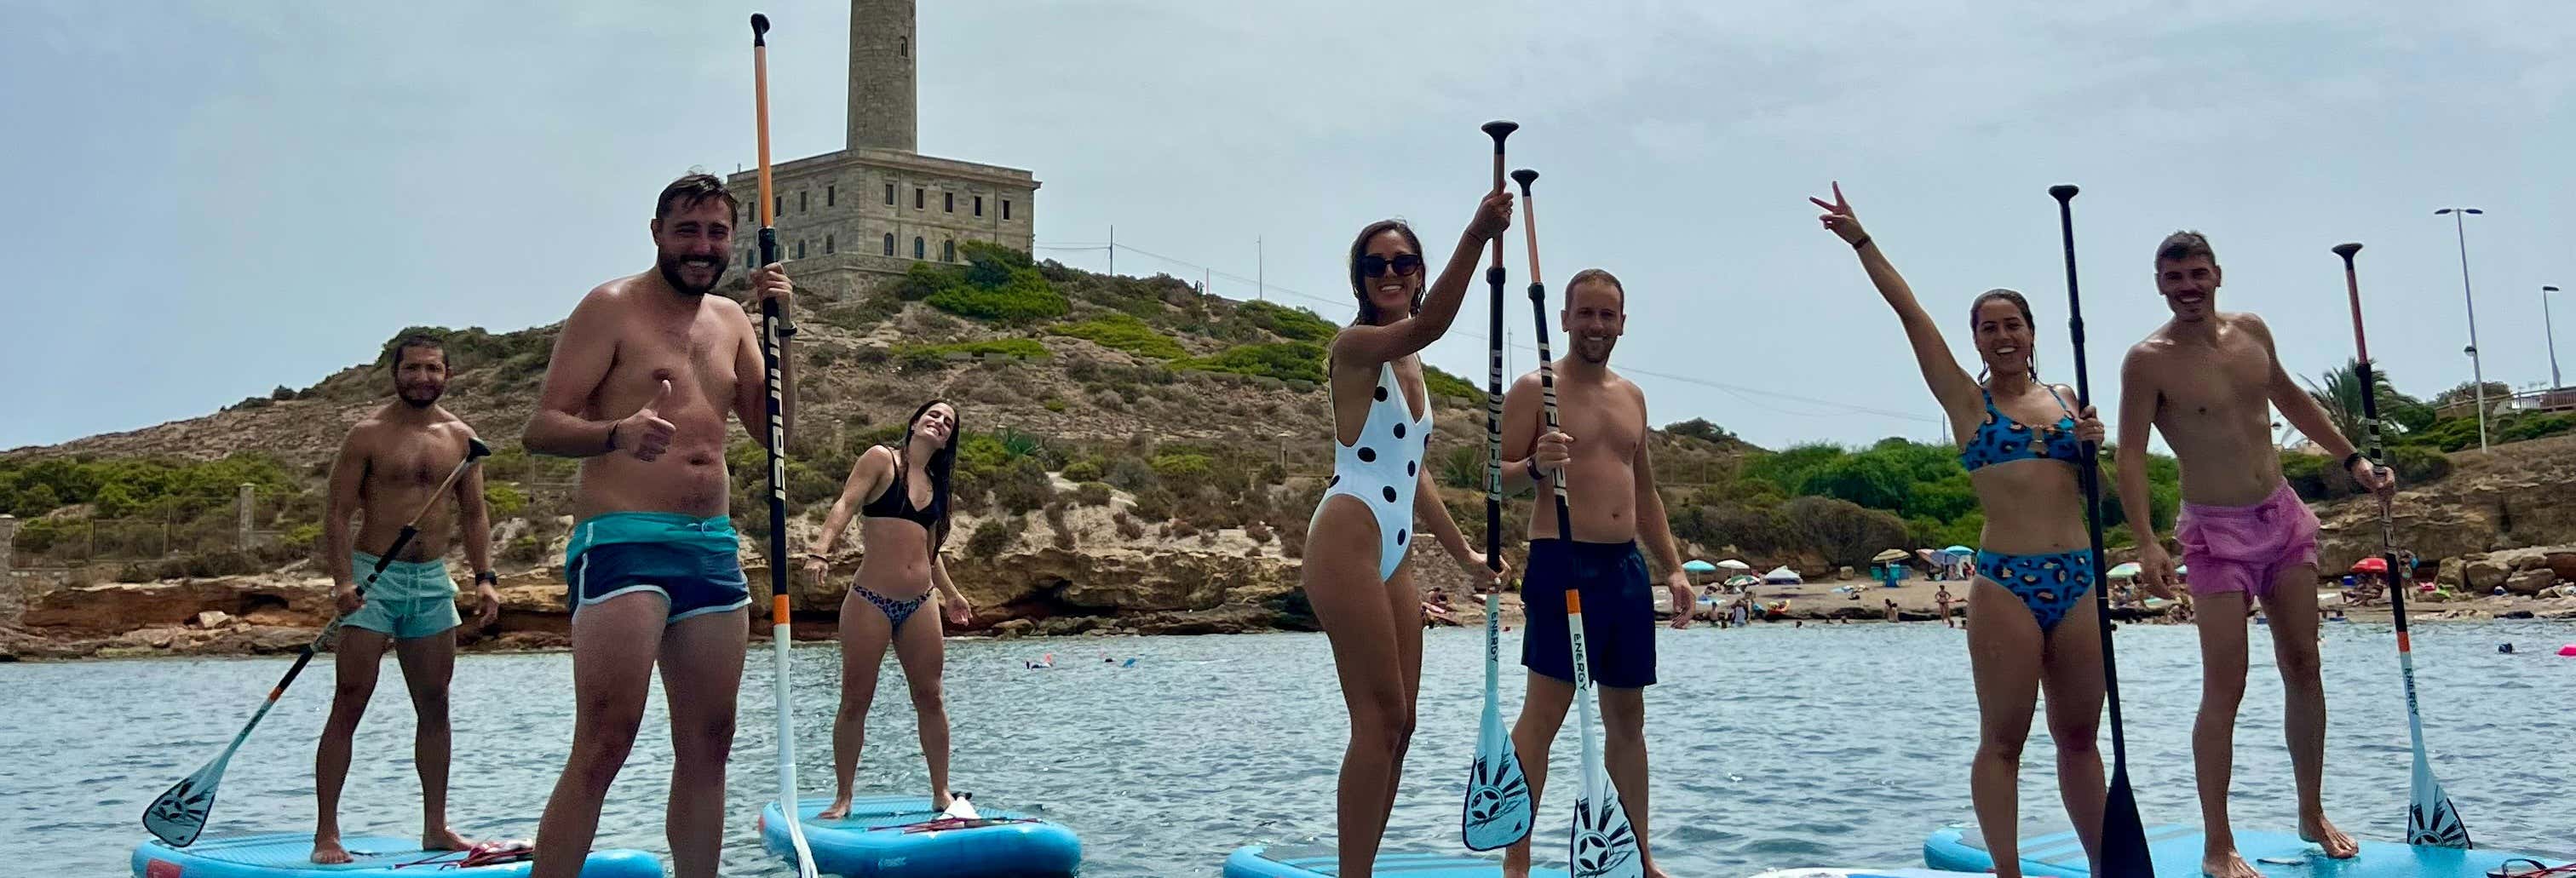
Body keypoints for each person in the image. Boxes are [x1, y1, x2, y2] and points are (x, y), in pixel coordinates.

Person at [1812, 183, 2110, 876]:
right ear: (1976, 338)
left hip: (2079, 579)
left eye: (2014, 324)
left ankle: (2105, 868)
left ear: (2032, 333)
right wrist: (1862, 241)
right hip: (2006, 582)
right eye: (1989, 327)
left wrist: (2095, 445)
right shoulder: (1965, 400)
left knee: (2079, 738)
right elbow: (1909, 312)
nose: (2003, 336)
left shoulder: (2070, 399)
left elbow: (2094, 493)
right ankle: (2006, 872)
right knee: (2004, 739)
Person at [521, 174, 795, 878]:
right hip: (622, 542)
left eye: (716, 233)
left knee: (710, 742)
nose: (703, 247)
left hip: (710, 550)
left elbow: (777, 432)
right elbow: (542, 427)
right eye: (688, 230)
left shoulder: (735, 319)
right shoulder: (610, 308)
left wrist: (782, 331)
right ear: (657, 232)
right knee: (607, 738)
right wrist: (615, 433)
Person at [2113, 230, 2393, 878]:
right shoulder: (2146, 360)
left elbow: (2290, 396)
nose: (2188, 287)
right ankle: (2218, 843)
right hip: (2213, 533)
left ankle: (2311, 811)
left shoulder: (2252, 331)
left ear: (2218, 275)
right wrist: (2148, 541)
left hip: (2282, 516)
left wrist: (2352, 460)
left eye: (2198, 274)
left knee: (2303, 662)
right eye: (2175, 277)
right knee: (2226, 686)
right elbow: (2128, 454)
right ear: (2159, 283)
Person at [1299, 192, 1510, 876]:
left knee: (1404, 724)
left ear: (1416, 271)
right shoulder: (1357, 346)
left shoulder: (1412, 366)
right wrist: (1478, 235)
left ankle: (1363, 865)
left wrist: (1468, 555)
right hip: (1347, 534)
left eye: (1402, 262)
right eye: (1374, 264)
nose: (1389, 272)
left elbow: (1414, 474)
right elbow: (1436, 324)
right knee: (1377, 719)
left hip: (1393, 548)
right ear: (1359, 279)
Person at [1495, 267, 1695, 878]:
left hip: (1625, 568)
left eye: (1607, 315)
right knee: (1544, 715)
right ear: (1564, 318)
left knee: (1627, 719)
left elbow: (1648, 493)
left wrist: (1675, 569)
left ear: (1623, 323)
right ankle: (1517, 863)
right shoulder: (1536, 389)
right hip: (1563, 559)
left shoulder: (1632, 396)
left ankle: (1638, 858)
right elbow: (1488, 477)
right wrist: (1533, 463)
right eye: (1585, 313)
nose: (1596, 325)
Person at [310, 336, 501, 864]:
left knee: (435, 704)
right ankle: (327, 832)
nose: (422, 377)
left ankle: (435, 827)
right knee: (351, 698)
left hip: (432, 581)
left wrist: (485, 577)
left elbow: (475, 514)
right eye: (412, 368)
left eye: (432, 368)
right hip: (375, 579)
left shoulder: (463, 438)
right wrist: (343, 581)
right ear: (395, 373)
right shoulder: (367, 435)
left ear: (448, 374)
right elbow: (336, 513)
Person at [801, 399, 976, 819]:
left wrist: (950, 595)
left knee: (931, 697)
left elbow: (929, 551)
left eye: (948, 422)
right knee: (855, 700)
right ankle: (843, 797)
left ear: (949, 438)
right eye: (934, 415)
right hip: (870, 601)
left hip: (920, 603)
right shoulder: (882, 460)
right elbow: (845, 504)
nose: (940, 423)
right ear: (915, 421)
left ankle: (941, 793)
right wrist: (820, 551)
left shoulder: (936, 484)